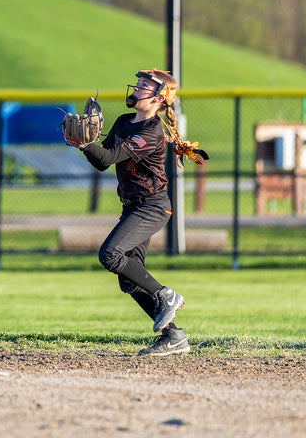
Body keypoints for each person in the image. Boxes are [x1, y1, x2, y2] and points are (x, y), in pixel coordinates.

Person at [66, 69, 207, 357]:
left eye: (145, 86)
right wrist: (84, 146)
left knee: (110, 255)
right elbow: (102, 163)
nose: (137, 88)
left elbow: (111, 156)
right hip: (132, 206)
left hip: (153, 206)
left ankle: (166, 294)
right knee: (129, 280)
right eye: (139, 83)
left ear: (159, 98)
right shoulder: (122, 122)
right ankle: (174, 337)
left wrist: (85, 144)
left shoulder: (151, 132)